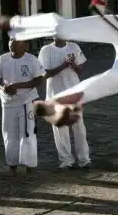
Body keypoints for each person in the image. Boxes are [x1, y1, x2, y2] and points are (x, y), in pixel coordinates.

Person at [0, 39, 44, 174]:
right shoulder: (3, 59)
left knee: (27, 132)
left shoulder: (31, 60)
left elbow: (39, 80)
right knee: (9, 133)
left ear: (25, 45)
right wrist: (3, 87)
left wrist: (17, 86)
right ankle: (12, 163)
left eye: (16, 41)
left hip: (26, 101)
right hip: (8, 102)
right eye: (10, 40)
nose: (11, 43)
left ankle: (29, 164)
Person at [38, 37, 92, 167]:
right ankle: (66, 160)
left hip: (73, 93)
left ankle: (84, 160)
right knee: (60, 129)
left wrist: (72, 64)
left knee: (79, 127)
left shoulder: (74, 47)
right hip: (54, 95)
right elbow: (44, 74)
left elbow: (80, 71)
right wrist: (64, 65)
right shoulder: (46, 50)